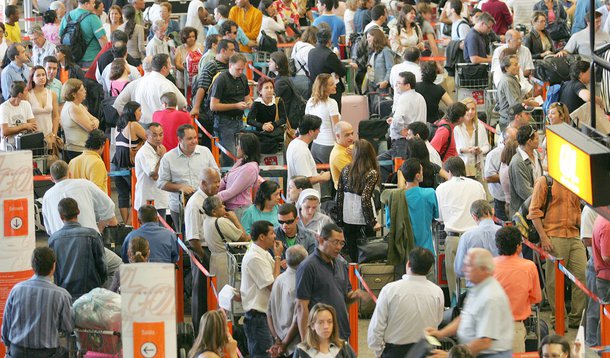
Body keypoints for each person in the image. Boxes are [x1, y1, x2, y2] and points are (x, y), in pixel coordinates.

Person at [426, 248, 514, 356]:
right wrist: (440, 334)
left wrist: (449, 355)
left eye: (469, 266)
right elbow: (464, 318)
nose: (464, 269)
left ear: (484, 269)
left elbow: (484, 342)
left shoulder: (491, 297)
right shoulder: (478, 288)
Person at [529, 172, 585, 329]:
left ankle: (576, 319)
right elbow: (534, 212)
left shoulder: (575, 181)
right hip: (554, 236)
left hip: (574, 235)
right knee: (554, 281)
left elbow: (578, 208)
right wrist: (544, 237)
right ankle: (558, 319)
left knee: (582, 276)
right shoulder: (545, 181)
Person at [368, 247, 443, 358]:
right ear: (429, 270)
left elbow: (377, 327)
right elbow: (437, 321)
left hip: (395, 352)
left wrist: (378, 352)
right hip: (425, 351)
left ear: (408, 264)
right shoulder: (437, 292)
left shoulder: (390, 290)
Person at [1, 247, 73, 357]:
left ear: (33, 266)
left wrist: (7, 349)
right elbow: (68, 327)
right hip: (46, 354)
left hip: (17, 352)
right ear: (53, 266)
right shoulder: (62, 295)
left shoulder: (16, 290)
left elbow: (6, 325)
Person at [296, 224, 361, 341]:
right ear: (321, 240)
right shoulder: (308, 267)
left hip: (341, 333)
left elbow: (345, 296)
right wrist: (306, 342)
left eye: (342, 243)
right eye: (335, 242)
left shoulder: (340, 264)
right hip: (320, 336)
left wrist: (356, 295)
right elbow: (301, 307)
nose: (339, 247)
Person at [436, 156, 486, 304]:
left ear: (449, 171)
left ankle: (457, 309)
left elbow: (439, 217)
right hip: (476, 237)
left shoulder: (442, 188)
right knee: (478, 279)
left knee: (455, 279)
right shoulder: (477, 186)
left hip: (454, 238)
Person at [158, 124, 218, 230]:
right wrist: (179, 187)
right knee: (183, 237)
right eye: (190, 139)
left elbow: (217, 173)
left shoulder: (205, 152)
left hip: (206, 205)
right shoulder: (168, 158)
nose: (194, 141)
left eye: (195, 137)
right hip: (180, 208)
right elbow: (161, 183)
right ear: (180, 140)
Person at [184, 168, 222, 333]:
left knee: (211, 295)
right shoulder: (195, 204)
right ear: (203, 183)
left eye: (219, 181)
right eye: (215, 183)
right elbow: (193, 238)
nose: (218, 185)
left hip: (212, 250)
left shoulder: (211, 199)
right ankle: (200, 333)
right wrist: (203, 258)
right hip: (201, 251)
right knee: (200, 295)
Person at [493, 226, 542, 352]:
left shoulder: (489, 265)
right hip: (514, 328)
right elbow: (536, 297)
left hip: (489, 327)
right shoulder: (529, 266)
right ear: (518, 246)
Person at [48, 197, 107, 300]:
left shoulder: (53, 240)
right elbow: (102, 266)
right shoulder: (92, 235)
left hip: (65, 294)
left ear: (61, 216)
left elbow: (54, 270)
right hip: (90, 293)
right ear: (78, 212)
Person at [240, 220, 283, 357]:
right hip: (257, 318)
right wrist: (277, 257)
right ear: (262, 237)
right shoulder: (254, 257)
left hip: (266, 315)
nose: (275, 236)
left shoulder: (263, 252)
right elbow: (273, 285)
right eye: (272, 233)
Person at [42, 160, 117, 235]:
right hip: (89, 239)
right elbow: (108, 206)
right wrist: (99, 230)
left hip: (60, 243)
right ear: (70, 174)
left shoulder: (47, 196)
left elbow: (48, 228)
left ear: (51, 178)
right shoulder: (84, 184)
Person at [336, 139, 381, 261]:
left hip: (348, 217)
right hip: (364, 219)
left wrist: (339, 220)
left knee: (353, 255)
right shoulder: (371, 173)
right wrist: (372, 222)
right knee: (368, 254)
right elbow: (365, 199)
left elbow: (339, 195)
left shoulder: (345, 169)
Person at [114, 53, 187, 124]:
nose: (171, 66)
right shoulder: (166, 84)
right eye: (169, 64)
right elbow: (182, 103)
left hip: (141, 125)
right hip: (159, 127)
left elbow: (118, 103)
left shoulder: (139, 83)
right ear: (164, 68)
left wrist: (129, 121)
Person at [209, 53, 252, 166]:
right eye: (238, 69)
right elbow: (213, 106)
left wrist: (250, 104)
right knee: (230, 157)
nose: (240, 72)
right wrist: (236, 105)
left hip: (239, 120)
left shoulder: (243, 78)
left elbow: (247, 97)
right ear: (230, 65)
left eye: (242, 69)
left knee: (242, 154)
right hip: (224, 122)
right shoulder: (221, 79)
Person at [268, 245, 308, 357]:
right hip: (292, 346)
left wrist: (277, 339)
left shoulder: (278, 279)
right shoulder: (299, 284)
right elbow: (297, 321)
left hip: (279, 342)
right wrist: (284, 344)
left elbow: (269, 313)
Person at [394, 158, 439, 257]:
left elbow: (390, 224)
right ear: (417, 176)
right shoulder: (429, 193)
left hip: (403, 252)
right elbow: (436, 215)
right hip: (425, 250)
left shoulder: (395, 197)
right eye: (422, 171)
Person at [202, 196, 249, 289]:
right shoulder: (221, 221)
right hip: (225, 260)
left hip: (214, 258)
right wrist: (235, 219)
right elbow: (244, 238)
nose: (224, 207)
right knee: (226, 291)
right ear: (214, 212)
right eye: (221, 206)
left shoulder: (206, 220)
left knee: (217, 290)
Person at [112, 101, 146, 223]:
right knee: (136, 195)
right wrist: (141, 144)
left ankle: (126, 224)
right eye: (139, 110)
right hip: (129, 165)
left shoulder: (119, 124)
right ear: (133, 112)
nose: (141, 113)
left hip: (116, 163)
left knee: (123, 196)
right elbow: (151, 138)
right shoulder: (134, 125)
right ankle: (130, 224)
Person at [217, 133, 261, 219]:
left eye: (239, 145)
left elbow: (232, 191)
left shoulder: (250, 168)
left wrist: (212, 198)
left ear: (246, 148)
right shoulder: (240, 162)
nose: (236, 147)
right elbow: (225, 179)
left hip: (240, 211)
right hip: (229, 208)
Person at [454, 200, 501, 280]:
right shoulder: (505, 232)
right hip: (501, 285)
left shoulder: (467, 236)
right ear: (492, 212)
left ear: (474, 216)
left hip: (476, 287)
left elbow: (459, 270)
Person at [190, 39, 236, 120]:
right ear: (223, 51)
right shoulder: (211, 66)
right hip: (212, 112)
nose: (234, 53)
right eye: (231, 50)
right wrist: (196, 108)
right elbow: (202, 88)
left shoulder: (230, 66)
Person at [286, 115, 332, 194]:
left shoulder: (295, 144)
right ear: (311, 132)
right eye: (318, 129)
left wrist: (318, 176)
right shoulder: (301, 150)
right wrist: (322, 177)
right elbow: (305, 180)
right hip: (304, 198)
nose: (319, 132)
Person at [307, 28, 350, 112]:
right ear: (329, 40)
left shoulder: (311, 52)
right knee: (333, 114)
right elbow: (342, 71)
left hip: (315, 88)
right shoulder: (329, 55)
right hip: (329, 90)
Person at [387, 71, 427, 158]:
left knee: (400, 169)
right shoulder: (420, 97)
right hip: (417, 141)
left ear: (407, 85)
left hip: (402, 142)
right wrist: (394, 121)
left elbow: (398, 119)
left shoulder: (404, 98)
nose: (396, 85)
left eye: (398, 83)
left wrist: (401, 130)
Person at [134, 122, 169, 218]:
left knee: (161, 230)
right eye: (154, 135)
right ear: (146, 136)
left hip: (160, 198)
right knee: (150, 231)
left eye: (161, 135)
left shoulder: (160, 148)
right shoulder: (144, 152)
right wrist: (162, 157)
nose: (158, 138)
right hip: (148, 200)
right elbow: (154, 175)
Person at [59, 0, 108, 67]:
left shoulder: (67, 16)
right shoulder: (93, 18)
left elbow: (60, 36)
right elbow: (102, 38)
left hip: (72, 58)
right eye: (93, 3)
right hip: (91, 58)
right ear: (86, 4)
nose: (94, 5)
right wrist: (107, 54)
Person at [60, 79, 100, 161]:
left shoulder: (78, 105)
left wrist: (96, 122)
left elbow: (95, 119)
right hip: (76, 150)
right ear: (74, 94)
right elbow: (91, 128)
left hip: (80, 148)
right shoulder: (73, 108)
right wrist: (94, 123)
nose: (85, 91)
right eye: (82, 90)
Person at [497, 55, 539, 131]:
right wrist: (529, 103)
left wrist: (527, 101)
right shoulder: (508, 81)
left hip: (513, 118)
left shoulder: (511, 79)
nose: (518, 67)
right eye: (515, 65)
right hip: (509, 121)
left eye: (518, 64)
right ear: (506, 68)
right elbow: (515, 103)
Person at [484, 126, 518, 221]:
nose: (517, 143)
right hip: (501, 200)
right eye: (514, 140)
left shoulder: (520, 151)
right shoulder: (494, 155)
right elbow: (488, 177)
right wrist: (507, 177)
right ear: (504, 140)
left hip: (517, 199)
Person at [306, 73, 341, 164]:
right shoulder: (332, 103)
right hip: (329, 145)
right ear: (324, 88)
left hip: (315, 146)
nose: (335, 86)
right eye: (331, 84)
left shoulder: (310, 102)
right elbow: (336, 128)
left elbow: (307, 123)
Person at [508, 125, 543, 216]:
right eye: (536, 138)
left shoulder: (536, 154)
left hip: (536, 207)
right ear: (529, 142)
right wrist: (545, 196)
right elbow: (525, 192)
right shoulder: (517, 163)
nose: (538, 140)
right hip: (523, 214)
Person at [246, 77, 287, 154]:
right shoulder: (257, 103)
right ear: (260, 91)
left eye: (271, 88)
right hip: (261, 131)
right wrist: (262, 126)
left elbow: (283, 118)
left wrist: (273, 125)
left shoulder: (278, 101)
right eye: (266, 88)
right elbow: (249, 120)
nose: (269, 90)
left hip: (274, 130)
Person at [454, 97, 490, 179]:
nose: (470, 112)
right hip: (462, 167)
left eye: (473, 109)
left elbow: (486, 146)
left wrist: (480, 150)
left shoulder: (480, 126)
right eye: (467, 109)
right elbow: (455, 148)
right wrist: (465, 150)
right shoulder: (457, 128)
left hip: (477, 167)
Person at [0, 82, 37, 152]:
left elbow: (33, 126)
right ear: (20, 94)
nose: (28, 92)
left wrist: (12, 130)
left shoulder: (26, 104)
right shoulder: (4, 107)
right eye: (26, 90)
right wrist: (24, 126)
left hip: (24, 145)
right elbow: (4, 131)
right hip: (8, 148)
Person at [68, 129, 108, 193]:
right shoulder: (97, 163)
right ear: (102, 145)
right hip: (91, 202)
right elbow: (96, 192)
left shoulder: (72, 162)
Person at [27, 66, 60, 142]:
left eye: (43, 74)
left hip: (49, 135)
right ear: (32, 78)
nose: (41, 77)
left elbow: (56, 116)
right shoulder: (27, 95)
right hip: (33, 135)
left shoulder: (52, 94)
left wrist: (54, 135)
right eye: (38, 75)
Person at [591, 215, 610, 342]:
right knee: (606, 319)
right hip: (607, 279)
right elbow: (607, 256)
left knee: (604, 318)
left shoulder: (601, 217)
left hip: (603, 277)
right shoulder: (608, 225)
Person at [174, 27, 204, 91]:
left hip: (197, 79)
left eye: (193, 36)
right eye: (189, 37)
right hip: (183, 80)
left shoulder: (200, 47)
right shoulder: (179, 49)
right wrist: (188, 71)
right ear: (184, 38)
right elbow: (177, 64)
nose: (192, 39)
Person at [291, 26, 318, 97]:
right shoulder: (310, 49)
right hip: (305, 81)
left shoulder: (297, 45)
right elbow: (312, 67)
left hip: (294, 78)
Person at [366, 28, 394, 94]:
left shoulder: (386, 51)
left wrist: (385, 81)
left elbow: (390, 68)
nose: (367, 39)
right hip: (372, 87)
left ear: (375, 37)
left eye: (369, 37)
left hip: (382, 88)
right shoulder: (372, 52)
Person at [329, 122, 354, 189]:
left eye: (352, 133)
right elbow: (355, 175)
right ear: (338, 136)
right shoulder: (338, 155)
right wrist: (357, 156)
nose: (351, 138)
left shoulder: (349, 146)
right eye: (347, 135)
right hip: (347, 193)